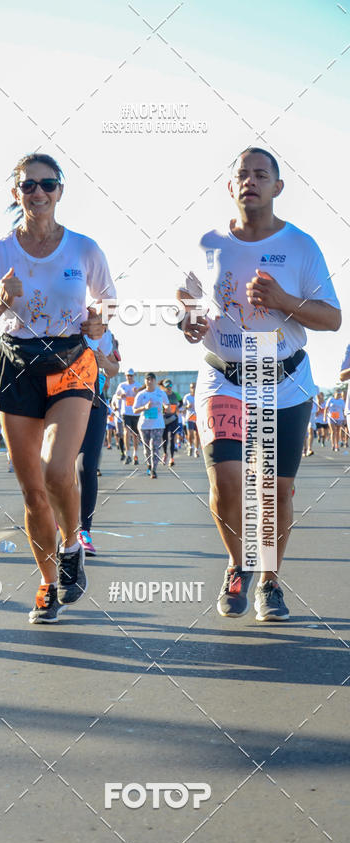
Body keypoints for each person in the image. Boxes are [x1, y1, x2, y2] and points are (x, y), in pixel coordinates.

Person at [177, 146, 341, 621]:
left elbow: (332, 318)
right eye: (242, 174)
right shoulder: (209, 242)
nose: (250, 181)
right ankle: (237, 564)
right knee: (227, 481)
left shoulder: (301, 245)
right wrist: (187, 319)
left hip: (283, 381)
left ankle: (269, 580)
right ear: (231, 186)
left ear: (277, 187)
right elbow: (187, 296)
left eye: (261, 174)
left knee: (275, 492)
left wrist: (283, 300)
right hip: (223, 377)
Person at [0, 152, 114, 623]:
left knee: (57, 469)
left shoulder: (84, 249)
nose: (39, 192)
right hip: (16, 364)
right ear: (17, 193)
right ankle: (48, 584)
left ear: (60, 191)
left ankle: (72, 545)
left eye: (48, 184)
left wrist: (98, 321)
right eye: (28, 185)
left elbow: (107, 304)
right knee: (33, 491)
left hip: (71, 361)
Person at [76, 330, 119, 555]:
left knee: (86, 466)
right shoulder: (58, 321)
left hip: (94, 401)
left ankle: (84, 530)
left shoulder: (104, 333)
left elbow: (114, 368)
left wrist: (104, 362)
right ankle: (57, 514)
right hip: (60, 399)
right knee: (57, 466)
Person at [133, 373, 169, 478]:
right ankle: (149, 464)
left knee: (154, 447)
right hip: (144, 425)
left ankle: (153, 469)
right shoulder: (141, 394)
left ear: (155, 381)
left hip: (158, 424)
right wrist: (144, 407)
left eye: (152, 379)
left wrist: (166, 407)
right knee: (147, 449)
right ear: (145, 381)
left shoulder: (161, 393)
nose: (150, 381)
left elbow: (167, 405)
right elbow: (135, 410)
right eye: (147, 379)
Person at [115, 368, 141, 464]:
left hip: (136, 413)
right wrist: (120, 396)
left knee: (135, 434)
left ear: (134, 376)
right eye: (128, 375)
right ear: (125, 376)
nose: (129, 377)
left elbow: (142, 397)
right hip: (125, 412)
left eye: (131, 375)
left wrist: (137, 393)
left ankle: (135, 454)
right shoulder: (122, 385)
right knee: (126, 432)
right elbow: (116, 396)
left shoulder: (138, 385)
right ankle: (128, 454)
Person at [160, 378, 183, 467]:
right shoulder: (162, 394)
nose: (169, 388)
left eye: (170, 386)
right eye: (167, 387)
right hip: (164, 418)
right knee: (164, 438)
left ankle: (172, 458)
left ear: (172, 386)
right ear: (164, 387)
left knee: (172, 438)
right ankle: (165, 454)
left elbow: (181, 402)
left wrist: (178, 407)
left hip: (173, 418)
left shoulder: (175, 394)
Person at [183, 381, 200, 457]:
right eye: (192, 387)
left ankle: (196, 449)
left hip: (198, 418)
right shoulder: (187, 397)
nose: (193, 389)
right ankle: (190, 446)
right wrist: (187, 406)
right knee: (190, 434)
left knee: (197, 435)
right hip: (189, 418)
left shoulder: (199, 396)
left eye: (194, 387)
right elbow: (182, 408)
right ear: (190, 388)